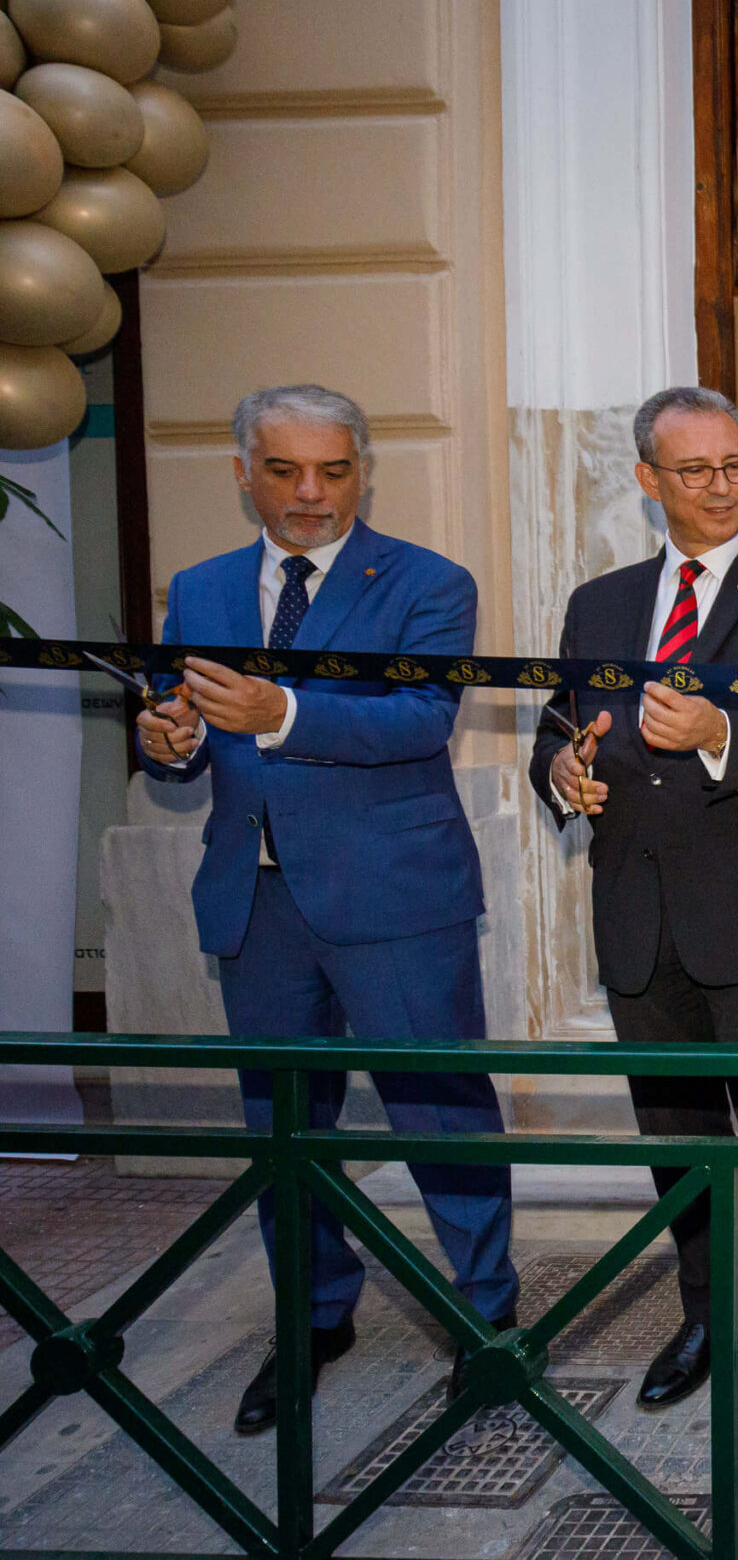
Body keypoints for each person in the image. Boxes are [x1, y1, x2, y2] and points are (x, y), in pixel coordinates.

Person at [136, 383, 517, 1436]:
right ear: (242, 472)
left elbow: (420, 718)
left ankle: (488, 1322)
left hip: (397, 899)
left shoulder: (429, 582)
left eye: (334, 471)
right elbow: (177, 725)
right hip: (254, 905)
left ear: (363, 471)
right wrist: (164, 743)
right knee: (286, 1133)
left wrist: (284, 710)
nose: (310, 494)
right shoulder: (200, 587)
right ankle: (312, 1320)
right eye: (286, 470)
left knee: (442, 1114)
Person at [529, 384, 738, 1434]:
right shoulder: (601, 603)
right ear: (647, 481)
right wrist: (562, 778)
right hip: (638, 910)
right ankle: (705, 1318)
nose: (722, 488)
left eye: (736, 466)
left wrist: (717, 730)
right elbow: (561, 725)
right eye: (696, 472)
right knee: (675, 1139)